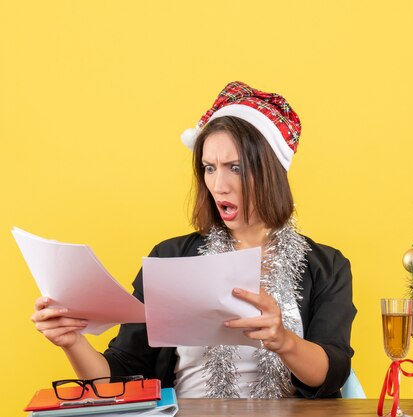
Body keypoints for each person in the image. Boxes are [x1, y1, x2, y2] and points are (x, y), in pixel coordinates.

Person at [31, 81, 356, 399]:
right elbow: (119, 377)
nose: (219, 185)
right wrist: (72, 341)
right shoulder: (170, 258)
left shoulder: (326, 266)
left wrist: (283, 340)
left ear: (271, 171)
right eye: (209, 168)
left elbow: (332, 374)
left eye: (236, 168)